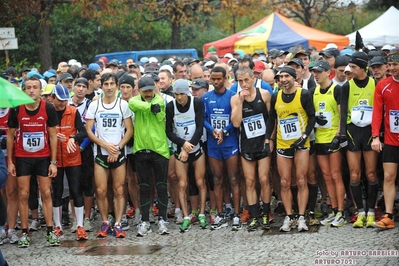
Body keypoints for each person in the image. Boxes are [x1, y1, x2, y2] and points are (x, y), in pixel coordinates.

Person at [7, 75, 60, 247]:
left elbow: (53, 135)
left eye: (34, 87)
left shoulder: (48, 108)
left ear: (40, 90)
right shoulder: (17, 109)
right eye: (28, 87)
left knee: (45, 193)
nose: (31, 90)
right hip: (23, 157)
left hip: (43, 157)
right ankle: (24, 232)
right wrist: (10, 161)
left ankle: (51, 231)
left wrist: (53, 161)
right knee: (23, 194)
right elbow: (10, 136)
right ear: (23, 90)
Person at [265, 66, 316, 232]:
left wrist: (304, 137)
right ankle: (289, 216)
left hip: (301, 144)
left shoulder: (304, 94)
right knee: (285, 182)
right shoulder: (276, 96)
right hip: (283, 143)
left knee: (301, 180)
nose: (284, 79)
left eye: (287, 76)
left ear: (294, 78)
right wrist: (269, 139)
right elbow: (272, 119)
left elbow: (312, 116)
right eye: (281, 77)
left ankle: (301, 217)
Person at [85, 73, 133, 238]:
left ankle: (119, 223)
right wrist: (105, 145)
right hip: (100, 152)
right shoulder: (94, 105)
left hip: (118, 153)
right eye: (106, 84)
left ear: (117, 85)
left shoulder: (123, 105)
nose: (110, 87)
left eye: (112, 84)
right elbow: (88, 131)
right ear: (102, 86)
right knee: (101, 190)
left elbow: (130, 130)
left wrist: (117, 148)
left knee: (119, 189)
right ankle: (105, 222)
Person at [339, 52, 379, 229]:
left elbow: (380, 109)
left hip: (370, 132)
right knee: (354, 174)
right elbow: (343, 113)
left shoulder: (374, 84)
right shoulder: (346, 86)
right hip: (353, 132)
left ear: (362, 68)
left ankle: (371, 211)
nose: (350, 70)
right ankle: (360, 211)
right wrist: (342, 134)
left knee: (371, 174)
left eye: (353, 67)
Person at [231, 66, 272, 231]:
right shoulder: (235, 99)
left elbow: (271, 119)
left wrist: (270, 139)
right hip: (247, 144)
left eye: (246, 80)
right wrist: (241, 101)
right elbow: (235, 123)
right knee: (249, 181)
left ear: (253, 79)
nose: (244, 84)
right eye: (240, 81)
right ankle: (254, 215)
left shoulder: (265, 94)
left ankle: (266, 214)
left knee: (263, 179)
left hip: (262, 142)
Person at [128, 77, 170, 236]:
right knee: (144, 187)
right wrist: (149, 106)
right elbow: (133, 104)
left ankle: (162, 219)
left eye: (150, 90)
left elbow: (160, 114)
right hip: (141, 150)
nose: (148, 93)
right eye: (145, 90)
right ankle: (145, 220)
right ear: (139, 90)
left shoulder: (159, 100)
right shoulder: (135, 101)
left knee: (161, 186)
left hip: (159, 150)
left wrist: (152, 106)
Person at [166, 79, 208, 231]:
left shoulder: (196, 103)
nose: (179, 98)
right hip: (181, 148)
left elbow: (199, 126)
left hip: (195, 147)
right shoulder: (171, 106)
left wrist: (188, 146)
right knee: (182, 183)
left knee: (200, 181)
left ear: (187, 93)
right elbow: (169, 131)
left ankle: (202, 214)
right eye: (176, 94)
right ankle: (185, 216)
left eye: (181, 94)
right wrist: (182, 144)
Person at [202, 66, 241, 230]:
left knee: (233, 178)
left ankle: (237, 215)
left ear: (225, 78)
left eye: (219, 79)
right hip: (214, 143)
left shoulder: (233, 96)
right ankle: (219, 214)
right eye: (213, 79)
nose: (216, 82)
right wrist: (213, 131)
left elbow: (236, 119)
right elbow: (203, 119)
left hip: (230, 142)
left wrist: (224, 131)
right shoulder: (206, 98)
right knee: (217, 179)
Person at [50, 84, 88, 240]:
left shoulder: (73, 111)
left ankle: (80, 226)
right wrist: (51, 137)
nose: (62, 104)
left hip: (72, 157)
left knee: (76, 191)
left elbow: (84, 132)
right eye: (59, 101)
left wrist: (73, 138)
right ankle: (57, 226)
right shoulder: (48, 112)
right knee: (57, 192)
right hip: (55, 159)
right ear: (52, 98)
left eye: (65, 101)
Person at [312, 60, 346, 227]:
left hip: (333, 139)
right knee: (326, 177)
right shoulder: (314, 91)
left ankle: (341, 211)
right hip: (319, 139)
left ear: (328, 72)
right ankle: (333, 210)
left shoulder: (336, 90)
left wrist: (338, 135)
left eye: (319, 71)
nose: (316, 75)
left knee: (335, 175)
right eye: (314, 72)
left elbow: (341, 115)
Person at [371, 50, 399, 229]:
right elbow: (377, 113)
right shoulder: (383, 85)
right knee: (388, 176)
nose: (391, 68)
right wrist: (375, 137)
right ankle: (388, 215)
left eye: (395, 65)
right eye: (389, 65)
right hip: (390, 140)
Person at [70, 77, 95, 232]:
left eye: (83, 86)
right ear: (73, 88)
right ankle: (74, 219)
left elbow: (91, 129)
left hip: (85, 149)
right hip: (70, 148)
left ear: (87, 89)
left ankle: (86, 218)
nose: (80, 89)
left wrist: (82, 147)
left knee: (87, 185)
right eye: (78, 86)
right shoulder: (67, 104)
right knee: (74, 186)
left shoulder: (90, 105)